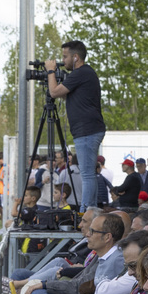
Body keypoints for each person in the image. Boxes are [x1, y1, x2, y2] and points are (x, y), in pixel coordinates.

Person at [43, 40, 104, 211]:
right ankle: (91, 210)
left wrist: (50, 71)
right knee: (88, 174)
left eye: (65, 56)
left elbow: (54, 92)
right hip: (88, 130)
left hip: (87, 130)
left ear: (75, 57)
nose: (63, 60)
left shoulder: (81, 72)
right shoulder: (85, 73)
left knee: (87, 174)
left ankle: (86, 211)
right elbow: (64, 95)